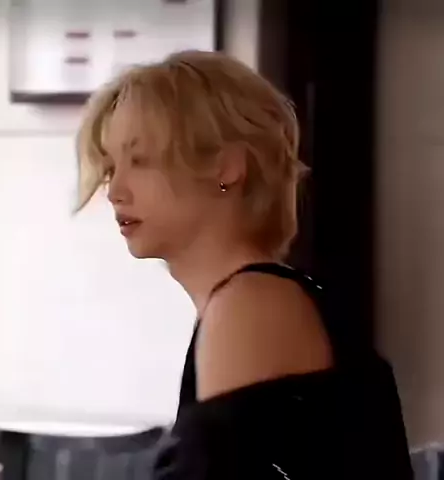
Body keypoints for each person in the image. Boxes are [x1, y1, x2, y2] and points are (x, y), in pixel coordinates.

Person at [75, 50, 413, 479]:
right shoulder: (256, 300)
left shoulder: (251, 307)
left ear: (226, 167)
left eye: (139, 161)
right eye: (111, 168)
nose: (115, 191)